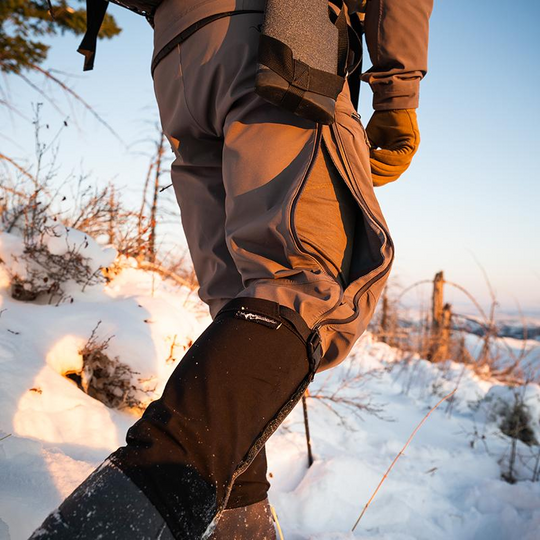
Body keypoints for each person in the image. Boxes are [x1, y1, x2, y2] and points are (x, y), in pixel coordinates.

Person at [31, 1, 432, 538]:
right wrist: (397, 94)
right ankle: (108, 524)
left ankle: (239, 524)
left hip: (177, 52)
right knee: (307, 284)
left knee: (241, 305)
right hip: (279, 31)